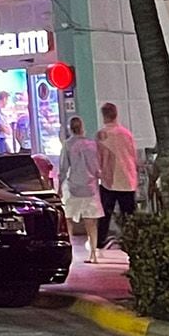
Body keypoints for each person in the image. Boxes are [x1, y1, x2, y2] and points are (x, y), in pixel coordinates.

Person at [58, 117, 104, 262]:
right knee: (91, 224)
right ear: (83, 127)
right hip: (90, 188)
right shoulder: (92, 145)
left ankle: (69, 253)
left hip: (74, 188)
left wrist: (59, 187)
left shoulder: (68, 145)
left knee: (69, 220)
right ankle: (93, 255)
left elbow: (64, 168)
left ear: (70, 128)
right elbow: (97, 168)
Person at [96, 102, 140, 252]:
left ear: (104, 116)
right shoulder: (127, 134)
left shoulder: (102, 134)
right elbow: (134, 156)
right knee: (129, 214)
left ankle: (100, 240)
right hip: (128, 179)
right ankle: (132, 240)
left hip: (110, 180)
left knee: (105, 213)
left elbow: (99, 157)